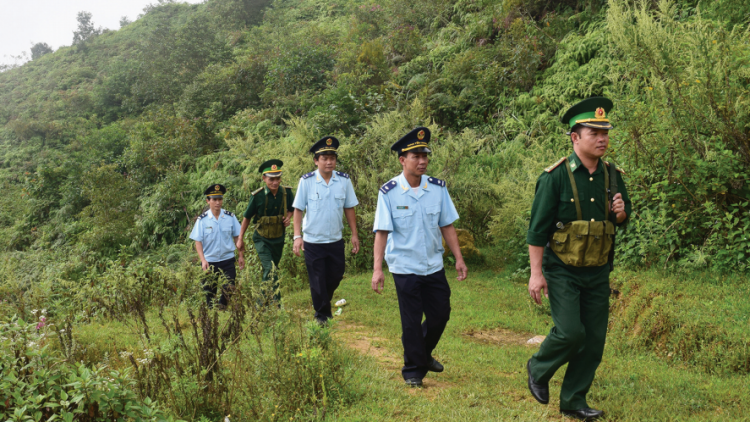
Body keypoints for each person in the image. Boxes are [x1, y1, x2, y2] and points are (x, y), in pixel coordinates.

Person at [525, 97, 631, 421]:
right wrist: (535, 273)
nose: (602, 139)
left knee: (594, 340)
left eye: (606, 132)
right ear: (575, 137)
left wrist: (621, 213)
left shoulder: (612, 175)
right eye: (594, 132)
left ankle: (573, 400)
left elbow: (623, 218)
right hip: (562, 270)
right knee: (572, 333)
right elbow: (537, 230)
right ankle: (538, 367)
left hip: (598, 271)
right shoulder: (554, 177)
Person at [371, 127, 468, 387]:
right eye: (416, 156)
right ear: (403, 160)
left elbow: (447, 225)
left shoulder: (437, 188)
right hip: (404, 266)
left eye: (425, 156)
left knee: (440, 314)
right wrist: (377, 269)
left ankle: (422, 355)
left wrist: (458, 258)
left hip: (433, 265)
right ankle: (413, 370)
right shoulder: (389, 192)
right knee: (411, 320)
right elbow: (381, 231)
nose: (422, 161)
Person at [292, 136, 360, 325]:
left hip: (335, 239)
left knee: (336, 275)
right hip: (313, 241)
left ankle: (323, 302)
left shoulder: (344, 181)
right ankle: (322, 315)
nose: (329, 162)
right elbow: (298, 209)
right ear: (316, 161)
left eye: (332, 158)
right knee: (317, 279)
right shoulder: (306, 181)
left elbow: (349, 208)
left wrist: (354, 234)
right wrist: (297, 236)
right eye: (324, 158)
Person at [236, 159, 295, 303]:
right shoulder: (258, 196)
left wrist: (288, 218)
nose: (275, 182)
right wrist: (240, 238)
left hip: (278, 238)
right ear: (264, 178)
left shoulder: (286, 193)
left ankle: (266, 303)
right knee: (270, 268)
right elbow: (247, 217)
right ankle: (269, 303)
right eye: (271, 179)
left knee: (272, 269)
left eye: (278, 178)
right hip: (262, 239)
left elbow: (292, 209)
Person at [190, 184, 244, 309]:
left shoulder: (230, 217)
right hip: (210, 261)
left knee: (229, 288)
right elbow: (198, 241)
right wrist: (203, 260)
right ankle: (212, 316)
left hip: (228, 259)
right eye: (214, 199)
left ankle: (222, 309)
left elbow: (238, 237)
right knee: (209, 292)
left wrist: (240, 256)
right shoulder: (202, 220)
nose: (217, 202)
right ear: (208, 201)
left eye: (220, 199)